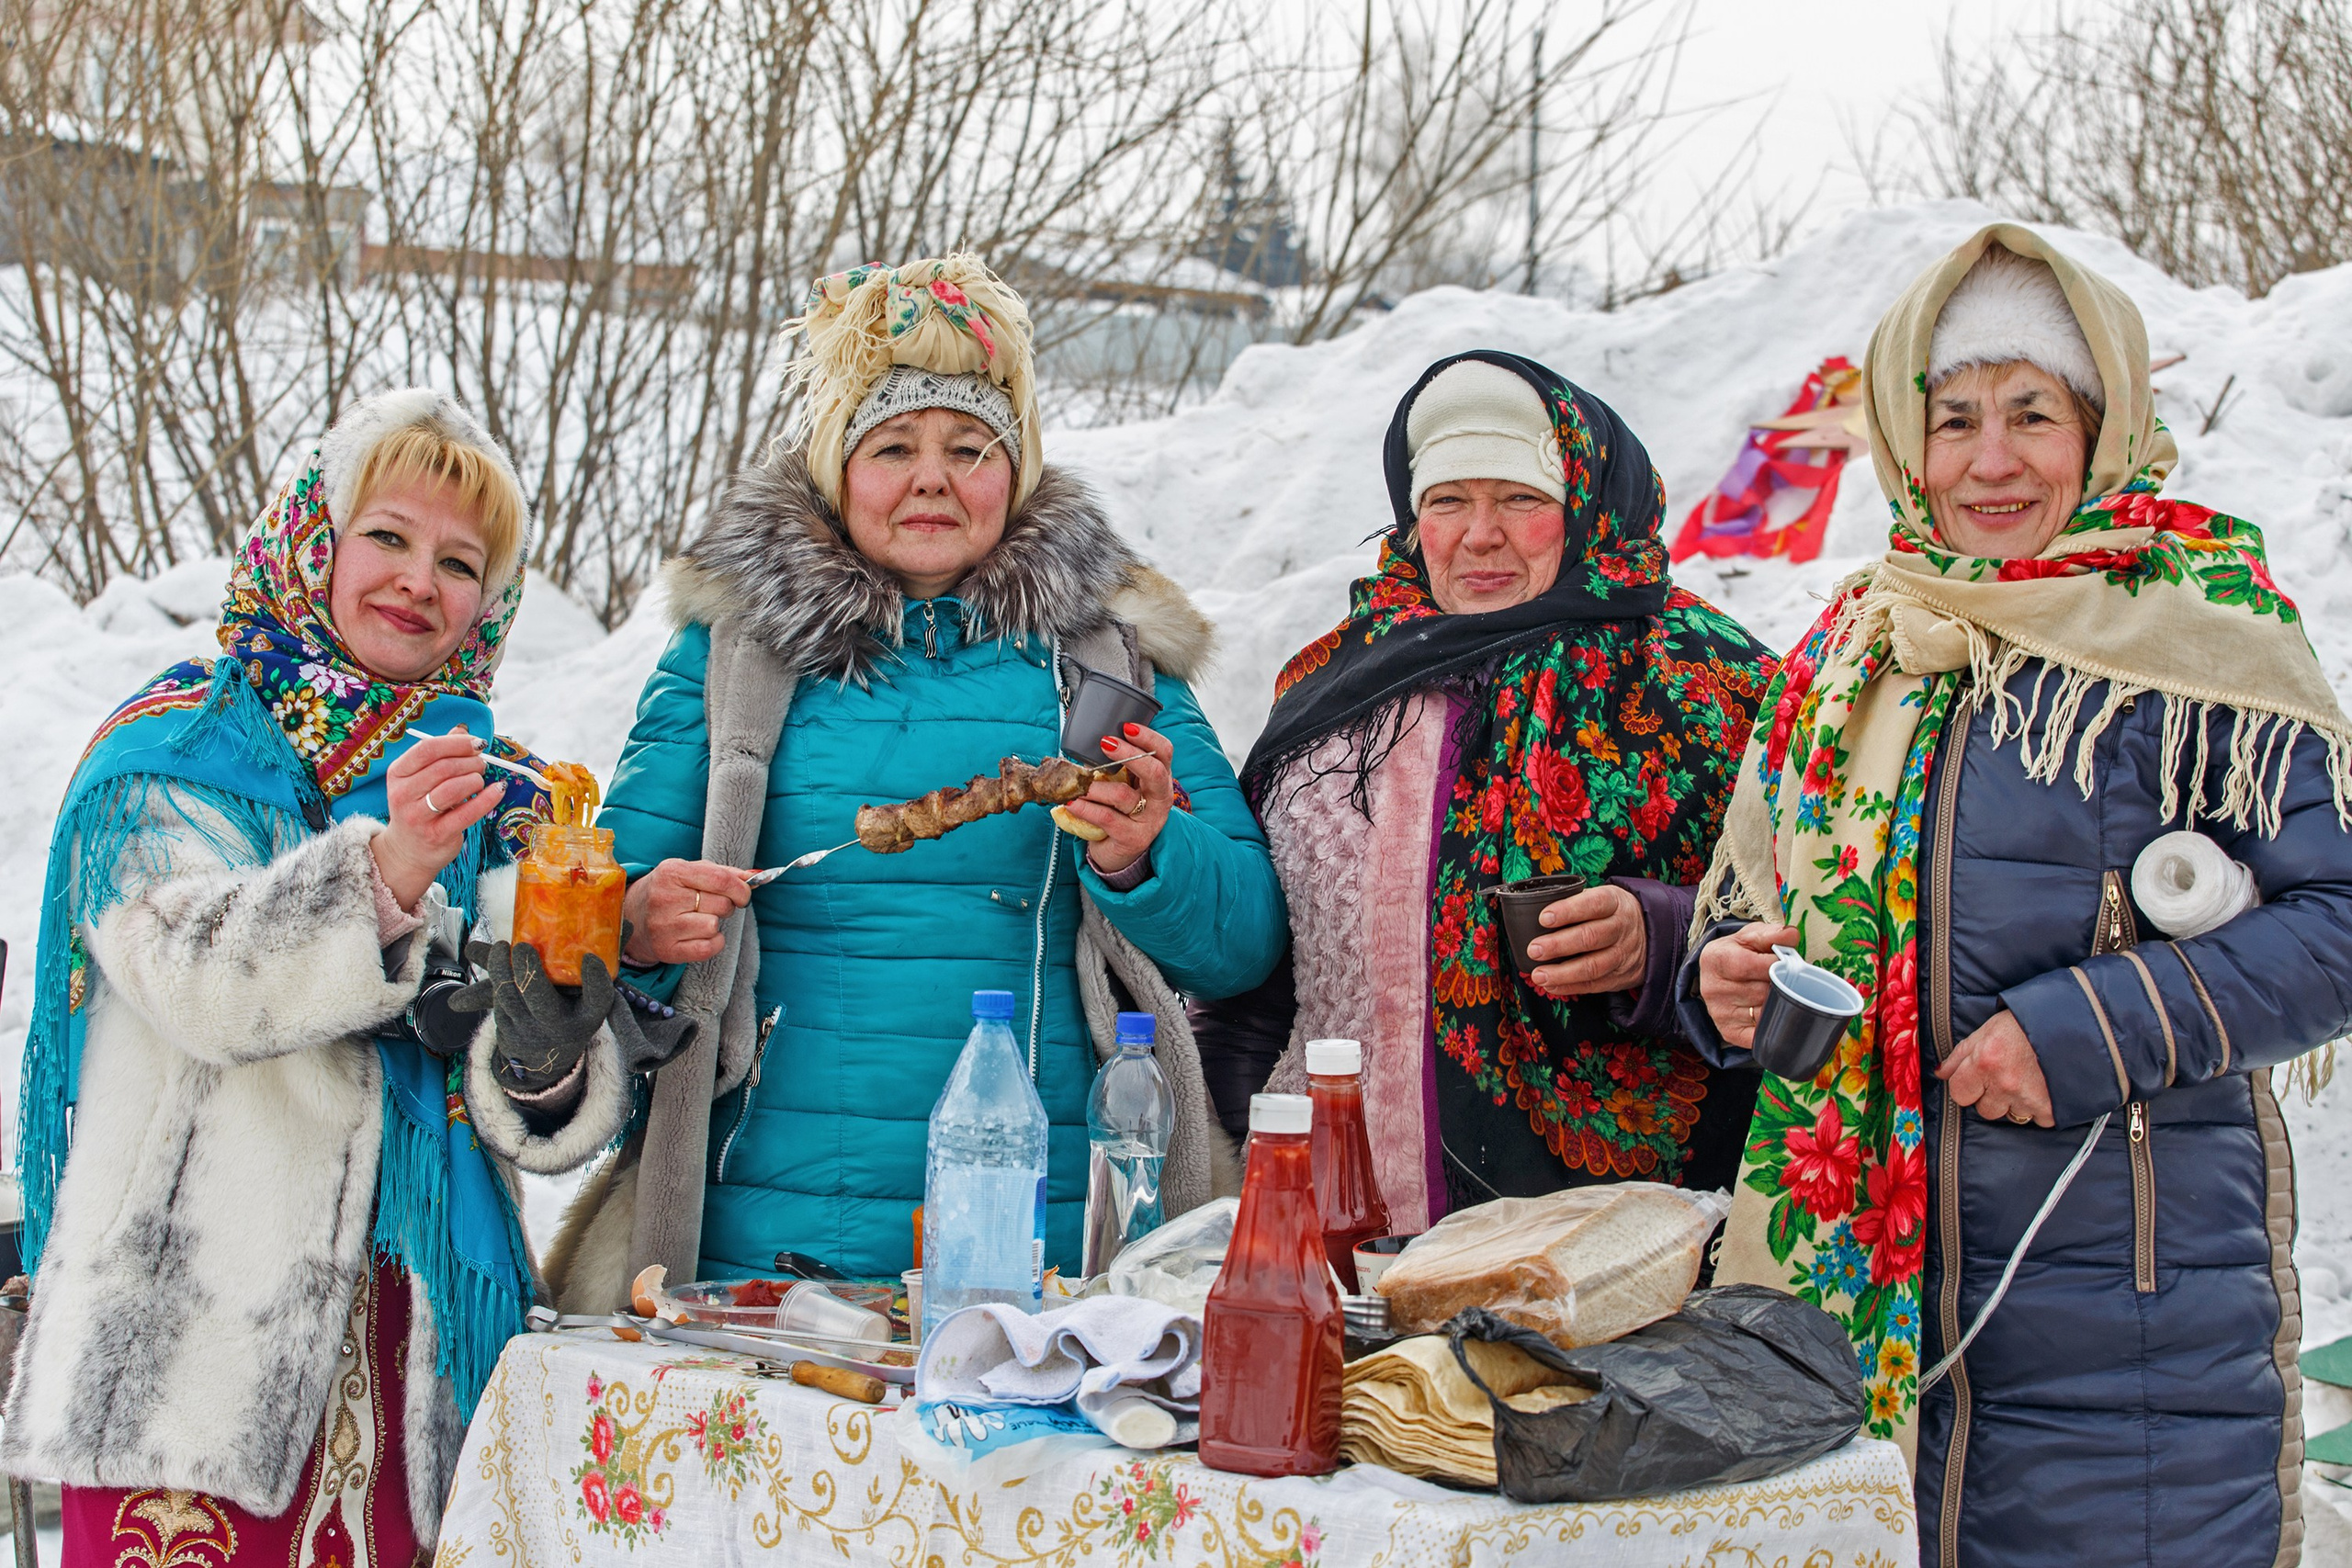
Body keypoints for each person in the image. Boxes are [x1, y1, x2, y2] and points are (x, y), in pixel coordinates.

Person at [1681, 227, 2352, 1566]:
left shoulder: (2194, 627)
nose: (1992, 461)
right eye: (1957, 418)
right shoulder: (1857, 640)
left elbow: (2334, 925)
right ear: (1906, 440)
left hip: (2125, 1328)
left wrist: (2086, 1032)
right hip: (1853, 1299)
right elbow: (1755, 892)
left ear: (2101, 424)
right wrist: (1725, 976)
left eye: (2034, 414)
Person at [543, 256, 1285, 1304]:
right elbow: (589, 930)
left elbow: (1245, 940)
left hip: (1052, 1248)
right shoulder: (733, 662)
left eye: (968, 448)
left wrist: (1147, 853)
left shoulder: (1112, 662)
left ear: (1016, 472)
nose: (931, 477)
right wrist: (640, 924)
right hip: (766, 1242)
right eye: (892, 446)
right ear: (839, 469)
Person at [2, 391, 652, 1562]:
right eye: (389, 538)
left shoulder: (493, 797)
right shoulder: (172, 754)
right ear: (314, 542)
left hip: (420, 1360)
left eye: (461, 562)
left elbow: (537, 1116)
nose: (420, 581)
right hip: (192, 1371)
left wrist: (566, 1007)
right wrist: (386, 874)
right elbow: (202, 983)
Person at [1193, 352, 1777, 1235]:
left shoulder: (1708, 686)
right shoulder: (1332, 688)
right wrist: (1235, 1146)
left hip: (1593, 1241)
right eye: (1448, 501)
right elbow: (1266, 973)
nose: (1480, 534)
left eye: (1520, 499)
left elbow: (1813, 934)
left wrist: (1659, 941)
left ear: (1585, 505)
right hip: (1328, 1220)